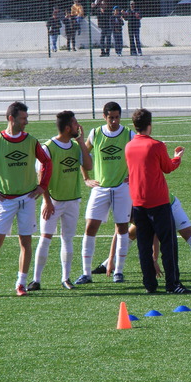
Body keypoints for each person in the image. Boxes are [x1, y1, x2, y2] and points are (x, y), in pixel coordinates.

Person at [0, 102, 53, 298]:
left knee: (25, 241)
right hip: (4, 201)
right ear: (11, 118)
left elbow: (47, 162)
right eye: (23, 118)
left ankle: (21, 284)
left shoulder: (31, 141)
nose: (26, 122)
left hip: (27, 199)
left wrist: (42, 186)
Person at [125, 108, 191, 294]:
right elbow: (168, 167)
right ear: (149, 124)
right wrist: (177, 158)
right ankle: (172, 284)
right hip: (158, 202)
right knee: (168, 245)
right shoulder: (156, 146)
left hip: (138, 202)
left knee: (144, 246)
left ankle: (150, 284)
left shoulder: (129, 146)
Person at [27, 111, 92, 291]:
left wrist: (82, 142)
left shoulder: (76, 146)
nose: (78, 126)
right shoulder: (48, 147)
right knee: (45, 238)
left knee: (67, 239)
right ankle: (36, 280)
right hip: (53, 202)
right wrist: (47, 201)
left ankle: (66, 278)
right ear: (68, 128)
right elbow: (41, 176)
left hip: (72, 200)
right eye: (75, 123)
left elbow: (88, 166)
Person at [75, 102, 134, 284]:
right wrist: (86, 178)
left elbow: (138, 156)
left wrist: (132, 176)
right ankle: (86, 273)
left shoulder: (128, 134)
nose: (114, 121)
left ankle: (119, 271)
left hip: (122, 188)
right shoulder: (96, 133)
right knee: (90, 227)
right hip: (100, 188)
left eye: (117, 117)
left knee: (122, 228)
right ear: (104, 117)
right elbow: (82, 155)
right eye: (111, 118)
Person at [99, 192, 191, 278]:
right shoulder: (122, 206)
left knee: (187, 234)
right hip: (152, 206)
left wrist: (154, 260)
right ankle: (106, 264)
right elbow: (118, 233)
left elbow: (155, 235)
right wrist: (110, 260)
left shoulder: (140, 205)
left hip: (170, 205)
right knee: (130, 234)